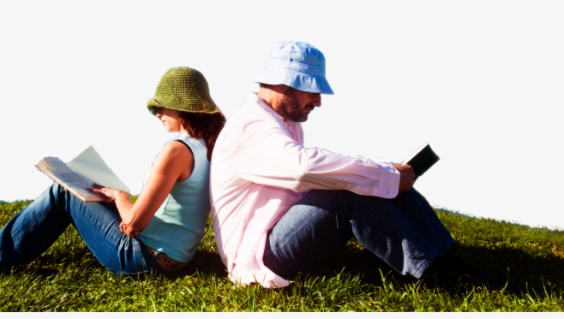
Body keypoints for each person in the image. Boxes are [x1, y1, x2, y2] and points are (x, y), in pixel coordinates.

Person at [210, 41, 505, 289]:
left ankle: (448, 259)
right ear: (282, 83)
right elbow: (301, 169)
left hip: (277, 234)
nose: (318, 101)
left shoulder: (279, 122)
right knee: (351, 190)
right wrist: (383, 175)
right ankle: (437, 274)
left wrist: (384, 176)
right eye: (311, 90)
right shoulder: (252, 125)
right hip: (256, 256)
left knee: (370, 183)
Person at [0, 67, 226, 276]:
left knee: (63, 191)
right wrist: (115, 202)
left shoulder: (177, 151)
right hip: (175, 258)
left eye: (162, 106)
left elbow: (133, 226)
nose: (158, 113)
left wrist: (121, 196)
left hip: (143, 258)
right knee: (82, 195)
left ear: (180, 106)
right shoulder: (208, 146)